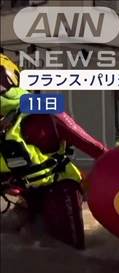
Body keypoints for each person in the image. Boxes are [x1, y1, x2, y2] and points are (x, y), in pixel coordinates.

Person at [0, 53, 108, 250]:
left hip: (60, 188)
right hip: (26, 193)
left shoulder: (42, 108)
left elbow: (94, 148)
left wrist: (117, 164)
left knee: (69, 255)